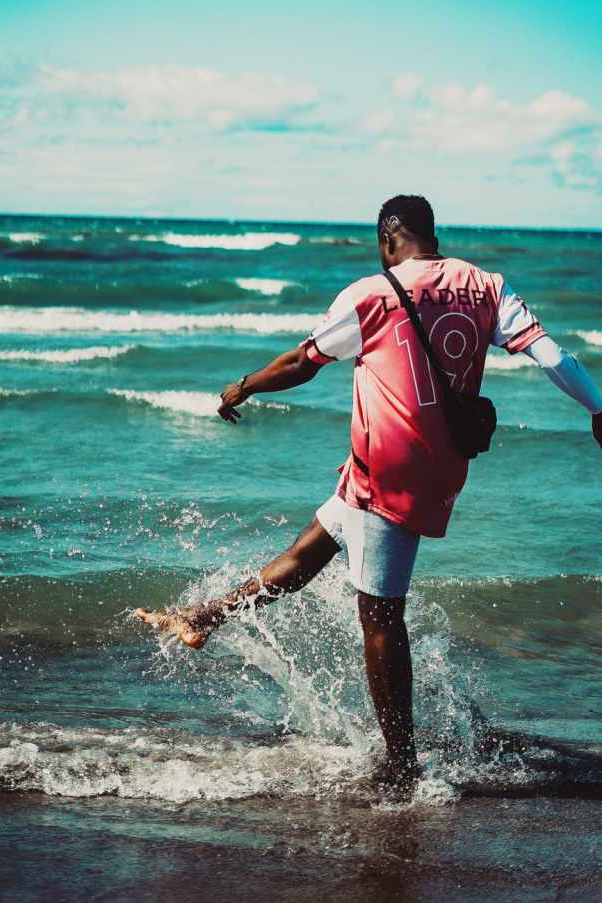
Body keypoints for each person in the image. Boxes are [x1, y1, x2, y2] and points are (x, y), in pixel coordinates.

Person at [137, 195, 602, 792]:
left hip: (388, 473)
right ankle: (202, 619)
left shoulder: (370, 294)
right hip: (436, 468)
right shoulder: (487, 287)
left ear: (388, 238)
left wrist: (242, 388)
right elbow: (552, 355)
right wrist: (597, 408)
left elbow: (305, 362)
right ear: (431, 235)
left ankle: (401, 763)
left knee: (381, 619)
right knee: (310, 550)